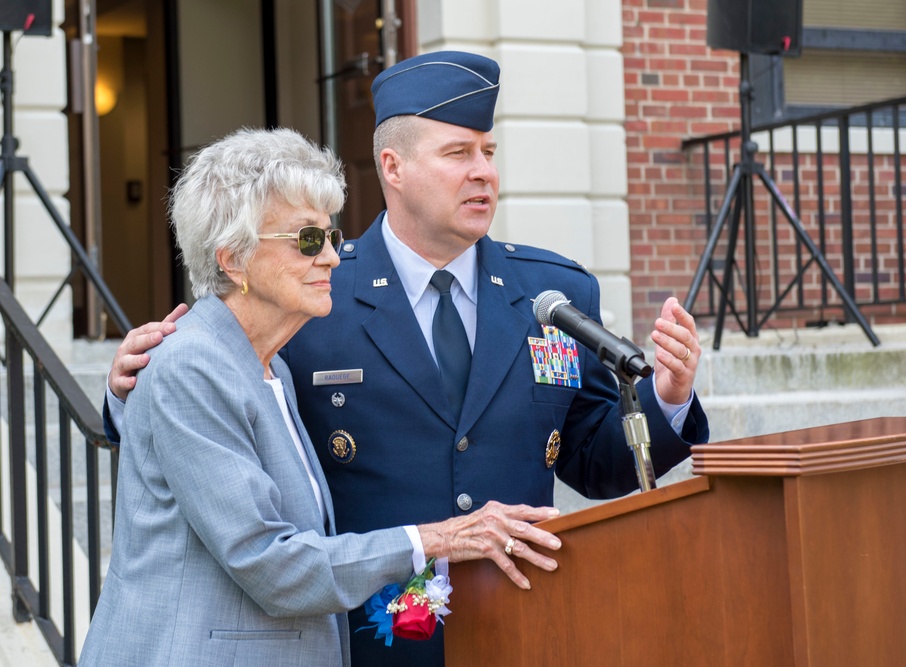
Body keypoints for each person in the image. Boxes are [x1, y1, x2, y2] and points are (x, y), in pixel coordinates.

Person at [105, 52, 710, 666]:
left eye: (488, 153)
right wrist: (130, 387)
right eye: (457, 154)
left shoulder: (554, 295)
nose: (482, 174)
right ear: (393, 167)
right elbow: (214, 403)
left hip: (518, 626)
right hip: (370, 639)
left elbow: (597, 460)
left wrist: (668, 397)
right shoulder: (312, 298)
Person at [81, 127, 563, 667]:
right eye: (307, 240)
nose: (332, 256)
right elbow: (270, 564)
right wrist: (440, 538)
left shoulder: (272, 368)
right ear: (233, 260)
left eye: (331, 236)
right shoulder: (194, 364)